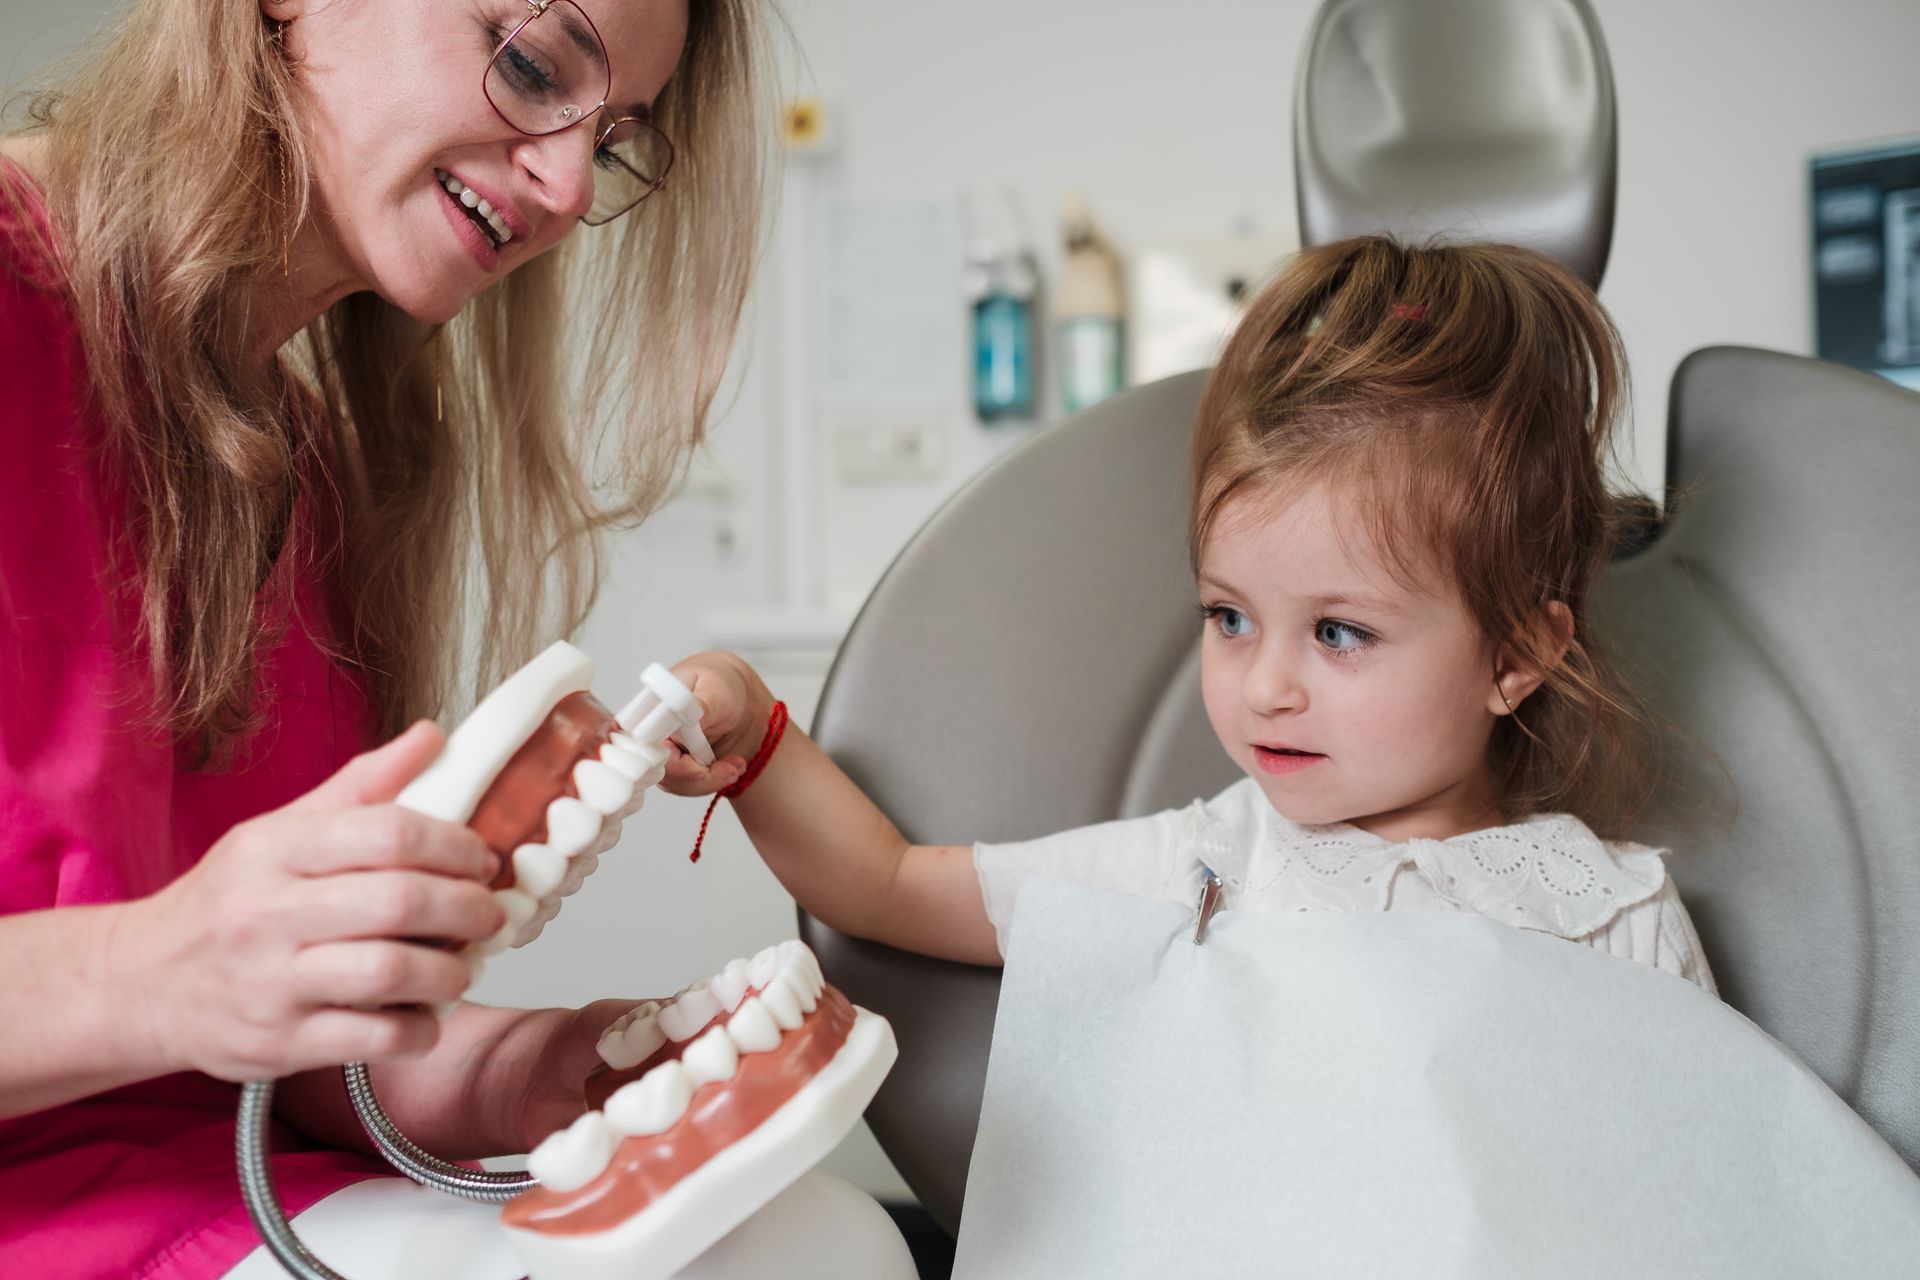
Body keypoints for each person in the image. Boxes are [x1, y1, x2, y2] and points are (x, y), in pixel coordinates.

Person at [0, 0, 778, 1275]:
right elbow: (189, 990)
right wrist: (150, 972)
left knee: (804, 1238)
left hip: (231, 1204)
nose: (572, 184)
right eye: (532, 62)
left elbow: (284, 1052)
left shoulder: (305, 475)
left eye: (619, 135)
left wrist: (527, 1069)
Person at [666, 235, 1718, 993]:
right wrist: (753, 728)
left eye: (1339, 631)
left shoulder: (1611, 919)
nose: (1264, 685)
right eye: (1230, 616)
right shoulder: (1209, 871)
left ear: (1518, 655)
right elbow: (886, 885)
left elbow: (1719, 1206)